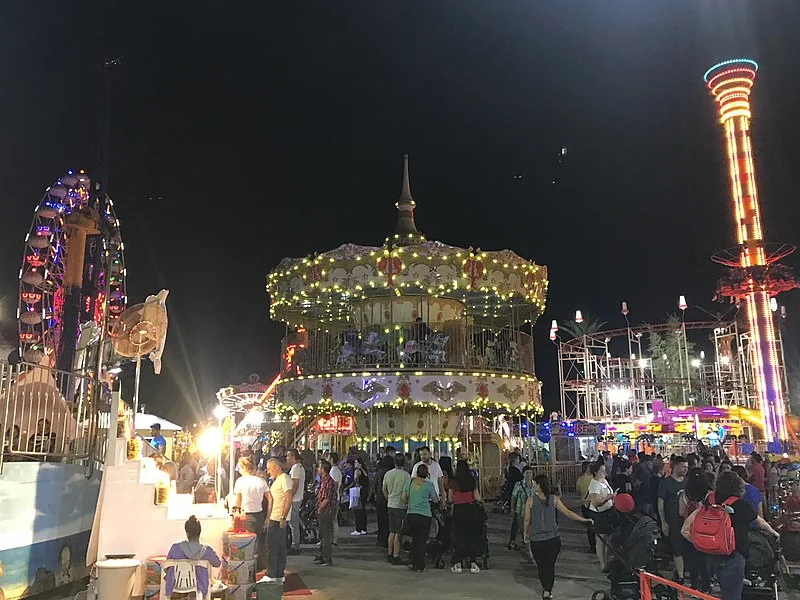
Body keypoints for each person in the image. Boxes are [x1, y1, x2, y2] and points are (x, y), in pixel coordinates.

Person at [682, 471, 780, 600]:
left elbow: (688, 526)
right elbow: (759, 522)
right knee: (732, 594)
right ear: (738, 486)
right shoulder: (741, 505)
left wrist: (696, 540)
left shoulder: (709, 499)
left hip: (711, 552)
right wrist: (774, 532)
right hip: (732, 555)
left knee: (723, 587)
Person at [523, 474, 593, 599]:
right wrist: (583, 519)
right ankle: (548, 590)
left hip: (537, 540)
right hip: (553, 539)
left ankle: (545, 587)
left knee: (541, 565)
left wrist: (525, 533)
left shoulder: (530, 500)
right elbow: (567, 512)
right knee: (550, 565)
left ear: (539, 485)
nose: (533, 485)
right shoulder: (554, 499)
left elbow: (527, 519)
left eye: (535, 483)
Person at [164, 516, 221, 598]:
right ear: (199, 532)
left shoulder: (175, 547)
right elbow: (217, 563)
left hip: (176, 584)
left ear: (187, 533)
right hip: (199, 585)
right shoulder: (206, 550)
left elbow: (166, 567)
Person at [232, 456, 269, 571]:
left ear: (244, 467)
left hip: (246, 515)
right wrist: (268, 515)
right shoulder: (261, 481)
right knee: (260, 544)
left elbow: (238, 499)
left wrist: (235, 512)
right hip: (259, 514)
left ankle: (251, 570)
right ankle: (262, 568)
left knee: (248, 545)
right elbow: (270, 498)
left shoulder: (240, 481)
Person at [678, 467, 712, 591]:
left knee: (692, 562)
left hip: (689, 532)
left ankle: (694, 587)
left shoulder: (684, 494)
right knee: (705, 562)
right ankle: (706, 587)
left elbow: (681, 512)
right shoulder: (709, 495)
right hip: (706, 532)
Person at [449, 459, 484, 574]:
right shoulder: (472, 481)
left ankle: (458, 564)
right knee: (472, 537)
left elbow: (450, 499)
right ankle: (473, 564)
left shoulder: (453, 482)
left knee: (459, 538)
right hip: (471, 510)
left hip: (458, 511)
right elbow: (477, 497)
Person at [403, 463, 438, 572]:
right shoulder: (429, 485)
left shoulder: (409, 482)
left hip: (411, 514)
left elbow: (404, 499)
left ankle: (412, 563)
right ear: (427, 474)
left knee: (414, 540)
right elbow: (435, 499)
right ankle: (421, 565)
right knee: (422, 541)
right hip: (424, 515)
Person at [659, 455, 688, 583]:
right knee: (677, 549)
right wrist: (663, 522)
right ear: (675, 466)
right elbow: (661, 503)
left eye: (686, 467)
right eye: (682, 467)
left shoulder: (688, 482)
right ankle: (680, 576)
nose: (685, 469)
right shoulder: (666, 483)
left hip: (688, 521)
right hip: (673, 521)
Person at [265, 458, 293, 583]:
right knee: (279, 547)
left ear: (276, 467)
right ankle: (278, 573)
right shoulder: (279, 480)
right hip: (276, 517)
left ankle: (272, 574)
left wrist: (283, 516)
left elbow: (288, 498)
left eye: (270, 469)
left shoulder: (284, 479)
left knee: (273, 547)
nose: (269, 472)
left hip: (278, 518)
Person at [383, 453, 411, 564]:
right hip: (400, 505)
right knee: (398, 532)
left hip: (390, 504)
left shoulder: (388, 474)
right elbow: (407, 492)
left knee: (391, 531)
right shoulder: (406, 475)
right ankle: (396, 555)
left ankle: (390, 553)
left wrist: (389, 498)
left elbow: (384, 489)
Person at [588, 461, 616, 571]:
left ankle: (606, 559)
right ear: (595, 472)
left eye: (605, 471)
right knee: (601, 539)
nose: (605, 473)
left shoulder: (604, 481)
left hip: (608, 512)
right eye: (602, 471)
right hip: (599, 514)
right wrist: (609, 497)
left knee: (608, 539)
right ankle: (602, 563)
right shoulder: (594, 484)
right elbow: (595, 502)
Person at [314, 460, 337, 567]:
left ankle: (327, 558)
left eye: (319, 467)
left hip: (326, 511)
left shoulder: (328, 481)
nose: (317, 469)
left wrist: (320, 508)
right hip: (323, 510)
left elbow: (326, 498)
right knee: (322, 535)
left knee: (326, 535)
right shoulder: (323, 480)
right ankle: (323, 556)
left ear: (323, 469)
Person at [286, 449, 305, 554]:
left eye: (288, 456)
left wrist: (290, 496)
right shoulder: (300, 467)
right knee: (294, 522)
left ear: (293, 456)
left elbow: (295, 484)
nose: (286, 458)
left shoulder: (295, 468)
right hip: (298, 498)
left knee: (293, 523)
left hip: (295, 499)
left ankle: (295, 545)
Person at [375, 455, 395, 549]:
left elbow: (375, 485)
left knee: (381, 520)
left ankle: (380, 539)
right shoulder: (392, 473)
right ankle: (388, 540)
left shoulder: (379, 472)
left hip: (380, 499)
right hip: (390, 498)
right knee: (388, 521)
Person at [575, 461, 596, 552]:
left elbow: (578, 492)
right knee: (597, 524)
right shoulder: (596, 479)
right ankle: (599, 544)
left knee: (589, 525)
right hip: (595, 504)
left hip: (585, 504)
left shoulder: (580, 479)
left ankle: (592, 546)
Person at [349, 457, 370, 535]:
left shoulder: (357, 471)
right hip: (364, 492)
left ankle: (358, 529)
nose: (355, 464)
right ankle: (363, 528)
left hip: (358, 492)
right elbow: (367, 477)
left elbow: (355, 481)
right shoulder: (364, 471)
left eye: (356, 462)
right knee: (363, 511)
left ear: (360, 464)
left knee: (357, 510)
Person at [329, 452, 343, 542]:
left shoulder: (334, 470)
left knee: (333, 520)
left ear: (332, 459)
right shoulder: (336, 470)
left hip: (333, 498)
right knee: (333, 519)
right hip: (336, 497)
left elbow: (335, 485)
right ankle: (333, 539)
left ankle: (334, 539)